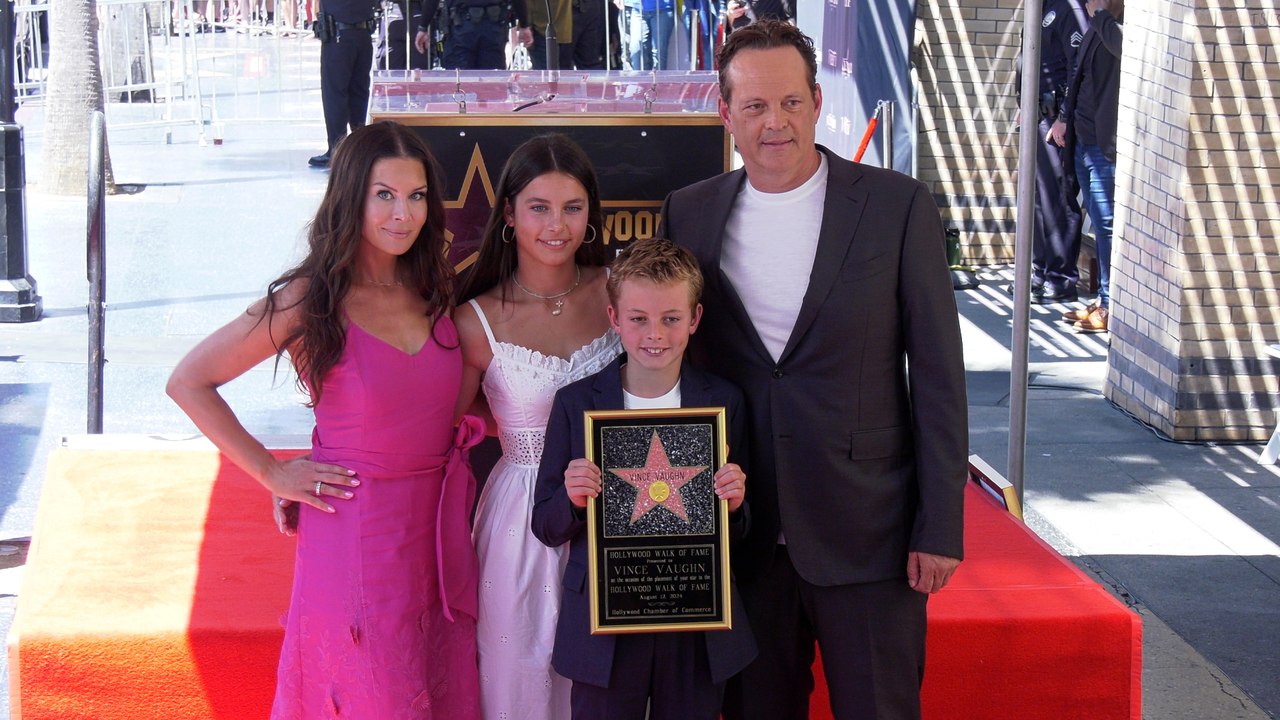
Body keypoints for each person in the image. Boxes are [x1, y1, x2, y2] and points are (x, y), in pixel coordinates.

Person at [658, 19, 968, 720]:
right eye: (757, 106)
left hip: (871, 531)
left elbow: (941, 379)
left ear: (817, 102)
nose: (776, 123)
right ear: (725, 113)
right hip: (741, 534)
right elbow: (664, 359)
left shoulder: (896, 206)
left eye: (791, 102)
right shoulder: (689, 212)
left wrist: (940, 524)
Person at [167, 122, 483, 718]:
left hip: (437, 533)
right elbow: (189, 380)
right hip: (355, 534)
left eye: (416, 196)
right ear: (350, 196)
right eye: (383, 195)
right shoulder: (309, 296)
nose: (403, 214)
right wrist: (271, 473)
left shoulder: (437, 290)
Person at [530, 237, 756, 720]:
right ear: (615, 319)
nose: (655, 333)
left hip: (696, 619)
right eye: (638, 318)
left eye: (671, 318)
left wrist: (735, 505)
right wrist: (572, 499)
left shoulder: (723, 403)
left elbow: (743, 536)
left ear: (694, 320)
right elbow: (545, 527)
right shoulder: (577, 404)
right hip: (604, 624)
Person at [454, 133, 622, 720]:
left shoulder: (618, 290)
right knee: (523, 674)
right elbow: (443, 419)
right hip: (521, 521)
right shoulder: (475, 319)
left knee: (612, 680)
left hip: (619, 505)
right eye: (539, 208)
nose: (558, 225)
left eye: (573, 208)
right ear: (509, 213)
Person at [1008, 0, 1088, 304]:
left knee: (1058, 197)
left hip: (1055, 120)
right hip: (1036, 115)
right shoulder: (1040, 7)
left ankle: (1061, 279)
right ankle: (1040, 271)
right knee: (1038, 199)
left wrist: (1063, 118)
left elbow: (1076, 67)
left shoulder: (1068, 9)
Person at [1051, 0, 1123, 333]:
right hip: (1082, 139)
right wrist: (1064, 119)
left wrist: (1103, 16)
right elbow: (1078, 75)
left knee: (1107, 225)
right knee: (1097, 219)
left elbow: (1121, 47)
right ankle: (1104, 300)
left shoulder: (1118, 24)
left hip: (1103, 144)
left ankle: (1110, 305)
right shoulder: (1096, 24)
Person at [309, 0, 381, 168]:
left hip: (339, 35)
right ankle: (358, 147)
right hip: (362, 33)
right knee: (359, 92)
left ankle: (337, 149)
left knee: (335, 94)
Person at [418, 0, 531, 69]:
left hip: (460, 29)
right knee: (491, 86)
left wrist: (423, 27)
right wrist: (524, 25)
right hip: (493, 28)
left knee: (461, 86)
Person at [620, 0, 674, 70]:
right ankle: (640, 80)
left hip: (663, 8)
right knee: (636, 50)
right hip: (638, 9)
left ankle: (658, 80)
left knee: (659, 53)